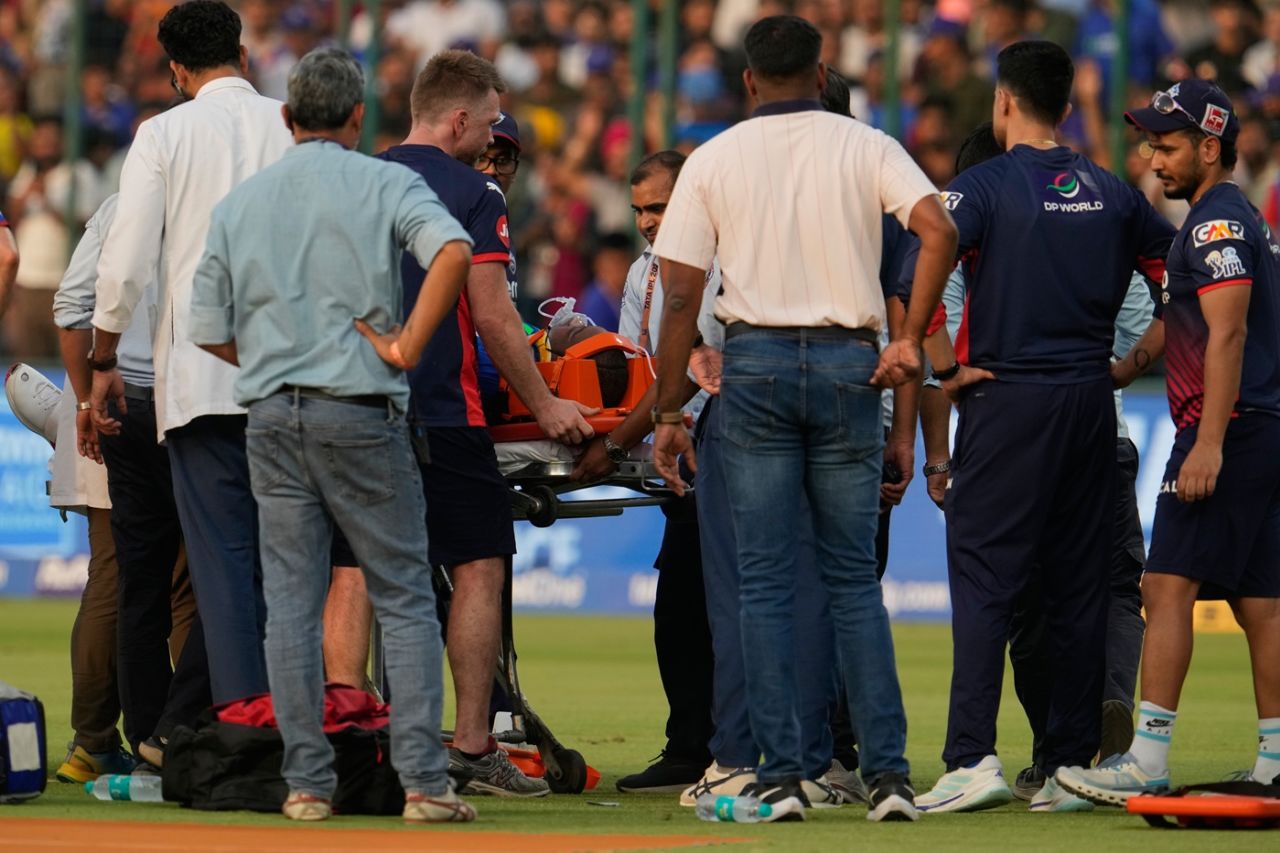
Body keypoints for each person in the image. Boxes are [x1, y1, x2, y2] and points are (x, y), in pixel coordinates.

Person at [650, 15, 958, 823]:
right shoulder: (867, 144)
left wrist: (669, 411)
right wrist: (906, 336)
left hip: (751, 365)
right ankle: (888, 776)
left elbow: (680, 291)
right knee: (852, 581)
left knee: (762, 583)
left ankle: (780, 776)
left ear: (748, 81)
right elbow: (939, 230)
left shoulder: (713, 158)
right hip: (849, 365)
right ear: (823, 75)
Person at [188, 47, 476, 824]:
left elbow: (203, 326)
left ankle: (308, 784)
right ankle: (422, 783)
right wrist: (410, 343)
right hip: (359, 407)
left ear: (286, 118)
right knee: (405, 597)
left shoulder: (243, 202)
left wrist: (273, 358)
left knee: (289, 602)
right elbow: (453, 251)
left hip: (273, 412)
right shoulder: (386, 180)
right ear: (358, 117)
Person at [907, 41, 1174, 813]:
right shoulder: (1116, 193)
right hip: (1091, 401)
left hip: (1008, 398)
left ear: (1002, 102)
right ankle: (1066, 763)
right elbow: (1178, 275)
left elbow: (925, 258)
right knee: (1081, 585)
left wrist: (940, 363)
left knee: (988, 578)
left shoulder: (982, 187)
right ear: (1064, 106)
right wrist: (1136, 360)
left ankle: (971, 757)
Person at [1058, 79, 1280, 802]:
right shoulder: (1224, 220)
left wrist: (1209, 441)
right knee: (1261, 602)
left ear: (1210, 148)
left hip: (1228, 426)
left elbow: (1228, 332)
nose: (1153, 159)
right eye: (1152, 142)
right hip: (1261, 426)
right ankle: (1276, 761)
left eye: (1168, 144)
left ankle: (1145, 759)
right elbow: (1187, 319)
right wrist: (1130, 365)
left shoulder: (1216, 226)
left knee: (1164, 584)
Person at [379, 49, 593, 798]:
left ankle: (351, 737)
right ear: (460, 117)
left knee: (350, 574)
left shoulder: (362, 177)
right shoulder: (473, 191)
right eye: (491, 122)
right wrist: (547, 405)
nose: (492, 139)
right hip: (443, 408)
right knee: (477, 566)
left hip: (358, 404)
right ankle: (473, 743)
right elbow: (494, 315)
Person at [88, 0, 293, 713]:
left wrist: (103, 356)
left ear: (176, 69)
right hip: (294, 379)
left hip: (204, 382)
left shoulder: (164, 133)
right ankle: (279, 718)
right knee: (283, 562)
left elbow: (125, 262)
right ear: (242, 52)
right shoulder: (292, 124)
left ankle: (236, 724)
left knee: (223, 563)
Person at [577, 151, 718, 797]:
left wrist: (618, 439)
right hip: (674, 446)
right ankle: (694, 744)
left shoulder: (718, 259)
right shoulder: (644, 272)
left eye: (657, 207)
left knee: (702, 601)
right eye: (638, 210)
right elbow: (643, 361)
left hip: (721, 441)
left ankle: (709, 745)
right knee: (684, 600)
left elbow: (690, 366)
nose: (647, 222)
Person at [52, 192, 208, 775]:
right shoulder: (228, 184)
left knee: (122, 579)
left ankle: (109, 739)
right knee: (200, 582)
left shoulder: (121, 205)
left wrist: (89, 398)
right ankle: (183, 732)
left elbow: (70, 304)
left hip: (114, 399)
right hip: (198, 404)